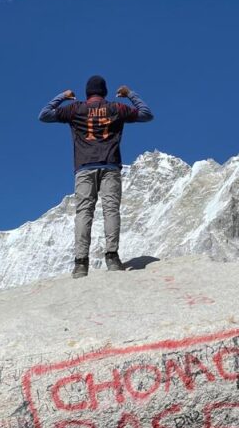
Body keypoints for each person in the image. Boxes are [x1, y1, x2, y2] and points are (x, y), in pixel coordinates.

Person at [39, 75, 154, 278]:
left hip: (84, 167)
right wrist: (130, 94)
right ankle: (112, 258)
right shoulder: (116, 108)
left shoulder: (75, 109)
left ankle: (80, 264)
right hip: (110, 165)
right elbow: (146, 114)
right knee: (111, 211)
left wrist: (63, 96)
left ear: (87, 93)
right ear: (105, 92)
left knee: (84, 213)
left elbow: (44, 115)